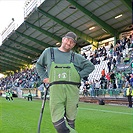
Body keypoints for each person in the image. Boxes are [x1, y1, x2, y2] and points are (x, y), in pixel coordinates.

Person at [36, 31, 95, 133]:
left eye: (72, 42)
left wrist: (77, 76)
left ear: (74, 45)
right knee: (58, 122)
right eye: (68, 39)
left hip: (72, 91)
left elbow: (90, 66)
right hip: (56, 91)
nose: (69, 43)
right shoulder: (49, 52)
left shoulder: (76, 57)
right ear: (63, 39)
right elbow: (39, 65)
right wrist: (44, 77)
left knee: (71, 121)